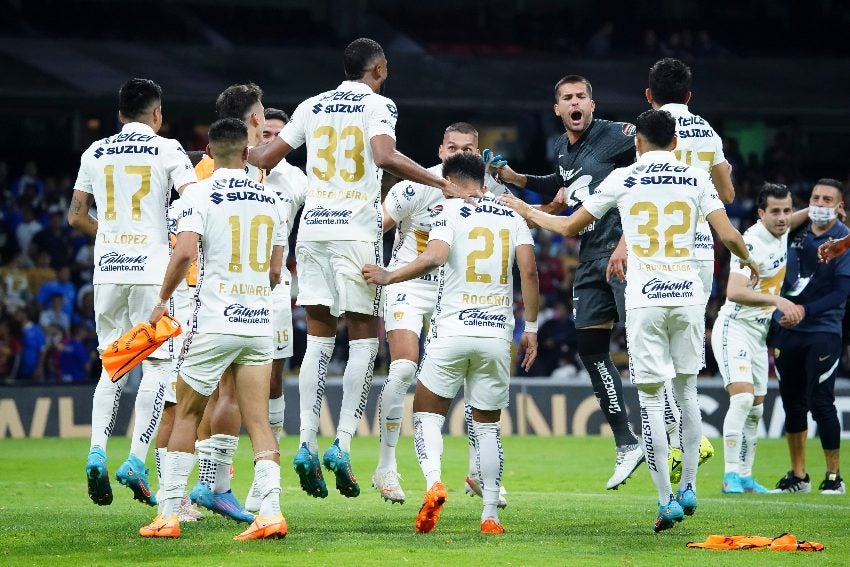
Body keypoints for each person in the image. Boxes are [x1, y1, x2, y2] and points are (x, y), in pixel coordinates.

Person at [500, 109, 757, 531]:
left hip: (645, 298)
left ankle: (665, 500)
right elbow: (728, 235)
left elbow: (567, 227)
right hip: (689, 295)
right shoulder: (695, 178)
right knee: (687, 390)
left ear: (637, 143)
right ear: (675, 143)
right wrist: (749, 261)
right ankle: (690, 486)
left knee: (653, 400)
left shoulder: (623, 178)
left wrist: (525, 210)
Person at [248, 37, 472, 499]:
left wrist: (219, 159)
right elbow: (385, 156)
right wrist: (440, 181)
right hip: (354, 230)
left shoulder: (311, 105)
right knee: (364, 338)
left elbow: (266, 159)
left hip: (311, 231)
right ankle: (343, 445)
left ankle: (307, 441)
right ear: (380, 68)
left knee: (318, 340)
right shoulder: (379, 104)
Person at [363, 152, 539, 534]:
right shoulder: (512, 215)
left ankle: (434, 483)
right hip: (496, 334)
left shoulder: (448, 210)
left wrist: (390, 276)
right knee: (489, 426)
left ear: (452, 182)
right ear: (483, 181)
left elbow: (435, 256)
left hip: (453, 330)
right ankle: (490, 514)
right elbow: (528, 270)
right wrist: (533, 327)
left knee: (427, 413)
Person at [139, 117, 288, 540]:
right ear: (246, 153)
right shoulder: (273, 199)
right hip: (259, 322)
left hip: (214, 322)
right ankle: (271, 513)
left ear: (207, 152)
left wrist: (162, 300)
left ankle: (168, 514)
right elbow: (276, 271)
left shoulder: (197, 195)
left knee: (186, 413)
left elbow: (185, 252)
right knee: (259, 423)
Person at [492, 75, 643, 489]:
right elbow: (562, 186)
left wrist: (630, 238)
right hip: (590, 256)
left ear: (592, 104)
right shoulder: (560, 148)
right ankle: (627, 442)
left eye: (581, 97)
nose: (575, 103)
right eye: (566, 98)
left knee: (643, 344)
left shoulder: (619, 135)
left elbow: (656, 162)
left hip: (624, 252)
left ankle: (674, 431)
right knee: (590, 347)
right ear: (556, 109)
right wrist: (518, 179)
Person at [68, 78, 197, 507]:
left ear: (119, 113)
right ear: (157, 115)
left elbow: (75, 215)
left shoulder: (94, 152)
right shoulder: (168, 149)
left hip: (107, 271)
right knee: (158, 367)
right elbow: (193, 199)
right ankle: (136, 459)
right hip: (151, 273)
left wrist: (111, 237)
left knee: (113, 365)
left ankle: (96, 451)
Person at [372, 122, 508, 506]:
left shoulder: (489, 191)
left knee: (470, 372)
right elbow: (374, 228)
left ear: (478, 154)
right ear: (441, 149)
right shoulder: (415, 186)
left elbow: (525, 220)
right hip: (409, 284)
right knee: (402, 369)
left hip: (455, 291)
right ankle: (386, 466)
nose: (459, 154)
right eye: (453, 147)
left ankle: (478, 472)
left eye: (468, 148)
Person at [159, 83, 269, 523]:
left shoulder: (234, 176)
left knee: (214, 397)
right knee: (186, 400)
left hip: (226, 301)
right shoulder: (203, 178)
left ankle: (208, 486)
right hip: (202, 298)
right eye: (262, 115)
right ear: (253, 122)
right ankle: (182, 496)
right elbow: (185, 245)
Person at [638, 57, 736, 482]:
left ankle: (675, 438)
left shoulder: (647, 132)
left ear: (649, 96)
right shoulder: (709, 133)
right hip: (700, 252)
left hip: (660, 252)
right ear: (690, 96)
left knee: (652, 357)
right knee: (686, 366)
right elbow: (727, 195)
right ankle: (686, 441)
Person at [711, 184, 805, 494]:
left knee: (756, 408)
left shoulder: (782, 230)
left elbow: (793, 221)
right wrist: (776, 301)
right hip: (733, 327)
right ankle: (730, 476)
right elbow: (735, 292)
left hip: (758, 333)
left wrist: (821, 214)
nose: (783, 218)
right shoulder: (750, 242)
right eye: (775, 212)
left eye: (786, 211)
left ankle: (746, 476)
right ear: (761, 213)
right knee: (741, 400)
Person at [244, 106, 307, 513]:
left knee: (272, 379)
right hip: (229, 285)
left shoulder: (298, 180)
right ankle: (212, 477)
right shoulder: (236, 171)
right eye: (265, 133)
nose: (271, 140)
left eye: (279, 135)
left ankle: (264, 473)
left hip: (275, 287)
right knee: (219, 387)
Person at [769, 179, 849, 495]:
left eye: (827, 199)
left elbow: (842, 292)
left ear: (840, 207)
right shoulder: (795, 235)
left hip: (823, 331)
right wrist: (785, 314)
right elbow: (777, 223)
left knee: (821, 401)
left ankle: (834, 476)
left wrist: (804, 310)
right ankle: (798, 476)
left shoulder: (843, 240)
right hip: (788, 330)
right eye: (815, 197)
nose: (819, 203)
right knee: (792, 403)